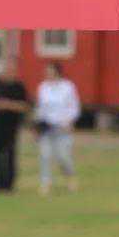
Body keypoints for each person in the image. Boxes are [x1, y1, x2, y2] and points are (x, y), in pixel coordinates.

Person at [34, 62, 80, 196]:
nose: (47, 74)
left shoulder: (68, 87)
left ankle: (70, 177)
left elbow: (74, 107)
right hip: (46, 127)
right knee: (45, 155)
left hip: (62, 128)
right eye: (46, 72)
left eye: (50, 71)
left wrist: (69, 121)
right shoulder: (43, 87)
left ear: (57, 72)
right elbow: (40, 108)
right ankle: (45, 183)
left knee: (63, 157)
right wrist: (37, 127)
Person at [0, 59, 29, 193]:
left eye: (11, 70)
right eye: (7, 69)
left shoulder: (19, 87)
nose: (9, 72)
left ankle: (9, 185)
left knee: (9, 156)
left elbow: (24, 106)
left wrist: (8, 105)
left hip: (11, 127)